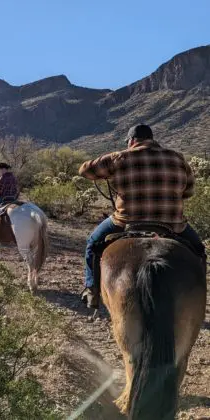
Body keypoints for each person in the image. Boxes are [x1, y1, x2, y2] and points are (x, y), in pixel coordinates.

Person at [77, 124, 205, 309]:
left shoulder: (120, 157)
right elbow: (189, 190)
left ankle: (92, 290)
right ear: (152, 139)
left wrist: (109, 168)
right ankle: (198, 300)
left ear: (132, 141)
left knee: (93, 243)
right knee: (199, 250)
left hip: (126, 221)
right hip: (173, 224)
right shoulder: (177, 159)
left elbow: (84, 171)